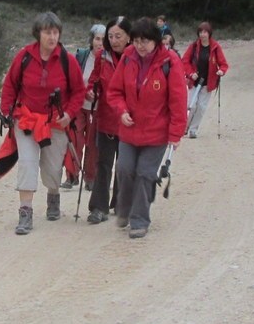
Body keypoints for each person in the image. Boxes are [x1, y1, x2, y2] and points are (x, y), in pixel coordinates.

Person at [0, 12, 86, 235]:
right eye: (48, 32)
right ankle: (25, 212)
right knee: (27, 162)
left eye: (55, 32)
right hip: (27, 120)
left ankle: (53, 194)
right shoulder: (24, 57)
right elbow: (10, 85)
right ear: (38, 33)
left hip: (56, 123)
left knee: (52, 168)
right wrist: (8, 112)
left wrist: (69, 113)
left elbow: (78, 92)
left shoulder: (68, 60)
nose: (52, 36)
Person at [107, 17, 188, 238]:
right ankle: (123, 210)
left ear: (156, 41)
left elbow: (178, 101)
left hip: (156, 134)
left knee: (145, 173)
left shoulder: (169, 62)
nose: (140, 46)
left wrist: (175, 134)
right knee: (124, 169)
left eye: (145, 41)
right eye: (136, 41)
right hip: (129, 131)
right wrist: (122, 110)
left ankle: (140, 219)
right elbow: (114, 92)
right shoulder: (127, 58)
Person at [84, 16, 133, 225]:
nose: (114, 40)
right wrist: (90, 92)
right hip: (105, 118)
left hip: (129, 120)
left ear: (129, 37)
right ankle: (98, 207)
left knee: (125, 165)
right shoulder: (102, 57)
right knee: (103, 163)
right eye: (110, 36)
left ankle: (122, 204)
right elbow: (94, 80)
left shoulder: (136, 57)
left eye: (118, 36)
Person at [61, 24, 107, 190]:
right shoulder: (82, 56)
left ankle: (91, 178)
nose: (100, 43)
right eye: (97, 39)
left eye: (103, 39)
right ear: (91, 39)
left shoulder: (108, 59)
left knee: (93, 144)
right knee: (75, 139)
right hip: (79, 106)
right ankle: (72, 176)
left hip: (98, 107)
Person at [182, 21, 229, 138]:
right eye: (200, 32)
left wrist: (221, 71)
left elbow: (223, 64)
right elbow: (184, 62)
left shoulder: (215, 47)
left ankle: (193, 130)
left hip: (208, 82)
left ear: (209, 33)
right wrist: (190, 73)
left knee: (201, 107)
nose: (202, 34)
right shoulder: (193, 46)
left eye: (205, 32)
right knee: (191, 106)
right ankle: (184, 127)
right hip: (194, 81)